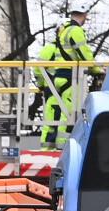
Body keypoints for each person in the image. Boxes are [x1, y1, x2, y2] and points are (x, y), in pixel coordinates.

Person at [31, 13, 102, 148]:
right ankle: (57, 148)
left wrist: (41, 86)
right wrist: (42, 86)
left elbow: (39, 69)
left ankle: (51, 148)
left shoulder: (56, 47)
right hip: (58, 85)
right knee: (61, 117)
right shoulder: (52, 47)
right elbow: (38, 68)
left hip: (56, 86)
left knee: (56, 118)